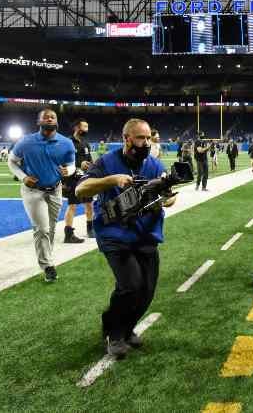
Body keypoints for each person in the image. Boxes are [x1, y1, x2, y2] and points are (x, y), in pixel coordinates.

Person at [75, 118, 176, 358]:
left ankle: (127, 326)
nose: (146, 142)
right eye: (141, 138)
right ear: (126, 138)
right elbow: (80, 190)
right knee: (131, 284)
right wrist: (112, 180)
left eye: (149, 138)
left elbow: (171, 199)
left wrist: (162, 199)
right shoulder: (108, 162)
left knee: (147, 290)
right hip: (115, 233)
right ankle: (114, 333)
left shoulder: (153, 164)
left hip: (146, 233)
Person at [7, 109, 76, 283]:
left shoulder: (66, 143)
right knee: (42, 229)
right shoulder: (26, 141)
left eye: (53, 117)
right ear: (38, 121)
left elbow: (72, 164)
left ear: (57, 121)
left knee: (51, 228)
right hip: (33, 191)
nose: (50, 118)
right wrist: (23, 177)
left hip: (55, 189)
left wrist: (69, 170)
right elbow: (12, 161)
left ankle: (47, 258)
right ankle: (48, 266)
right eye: (46, 117)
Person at [63, 119, 95, 243]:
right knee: (72, 206)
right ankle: (68, 234)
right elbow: (63, 161)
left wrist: (91, 166)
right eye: (85, 126)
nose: (87, 129)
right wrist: (79, 164)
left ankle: (90, 229)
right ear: (77, 127)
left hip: (85, 179)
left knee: (89, 205)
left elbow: (90, 161)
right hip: (72, 179)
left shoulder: (86, 144)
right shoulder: (67, 142)